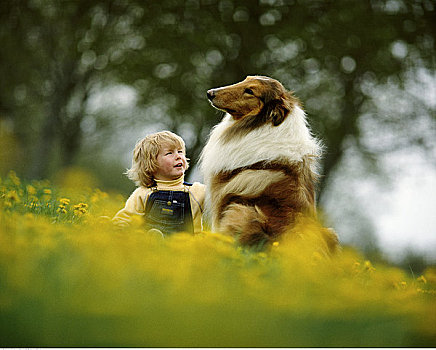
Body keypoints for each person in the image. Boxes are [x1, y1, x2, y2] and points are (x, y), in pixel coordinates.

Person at [112, 131, 205, 236]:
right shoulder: (144, 193)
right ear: (152, 163)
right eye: (169, 153)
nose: (178, 156)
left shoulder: (197, 191)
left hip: (187, 248)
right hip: (152, 249)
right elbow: (126, 218)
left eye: (180, 151)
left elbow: (223, 203)